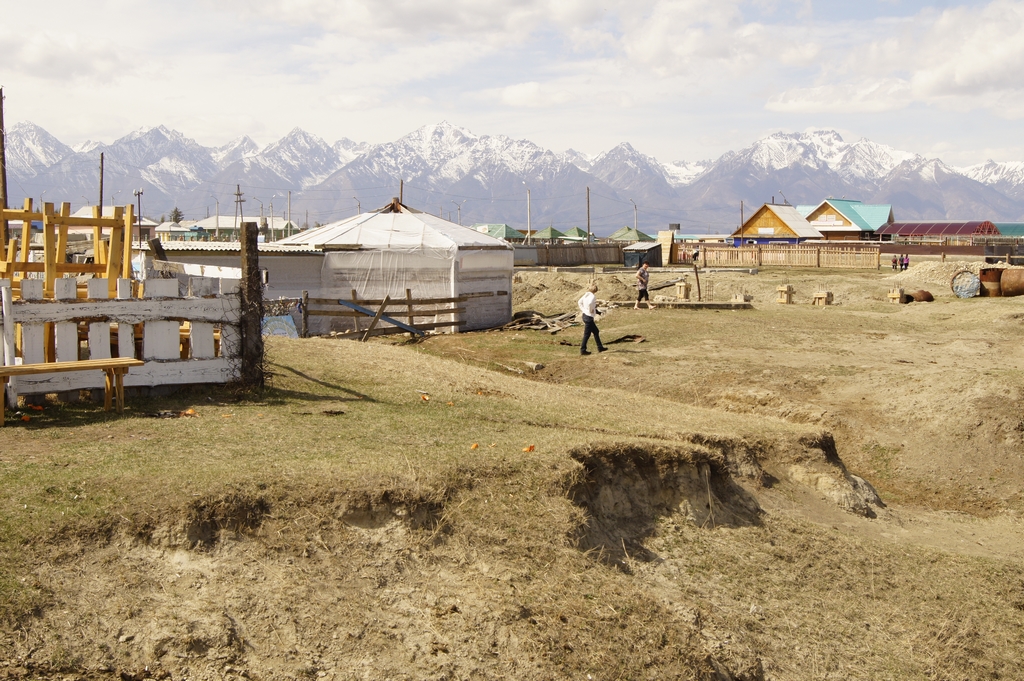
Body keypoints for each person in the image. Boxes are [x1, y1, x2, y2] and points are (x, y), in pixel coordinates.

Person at [577, 282, 606, 356]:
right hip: (589, 317)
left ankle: (600, 347)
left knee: (596, 331)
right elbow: (590, 304)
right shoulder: (592, 296)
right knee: (587, 334)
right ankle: (583, 350)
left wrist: (584, 310)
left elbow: (579, 302)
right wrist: (590, 310)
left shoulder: (586, 295)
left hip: (585, 315)